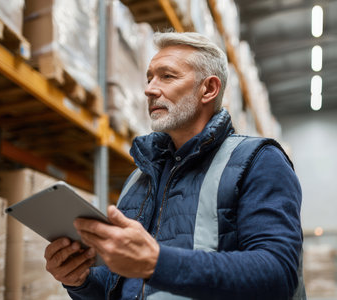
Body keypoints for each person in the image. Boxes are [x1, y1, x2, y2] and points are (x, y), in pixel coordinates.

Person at [44, 31, 305, 300]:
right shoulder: (139, 177)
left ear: (209, 89)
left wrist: (157, 262)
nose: (149, 89)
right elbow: (120, 287)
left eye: (167, 76)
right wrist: (80, 281)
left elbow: (278, 275)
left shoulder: (258, 160)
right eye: (149, 78)